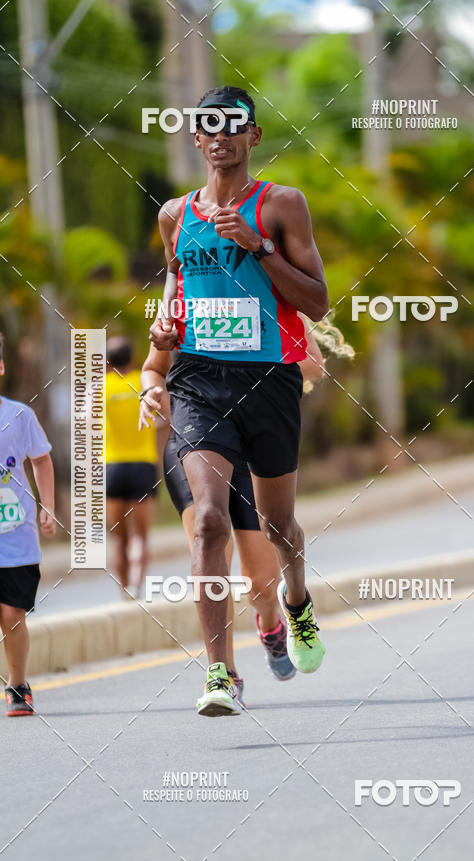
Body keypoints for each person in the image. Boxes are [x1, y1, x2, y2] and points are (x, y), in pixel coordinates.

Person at [149, 85, 329, 716]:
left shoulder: (280, 205)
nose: (220, 134)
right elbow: (176, 283)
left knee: (279, 526)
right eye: (208, 125)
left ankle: (297, 603)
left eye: (234, 125)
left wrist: (259, 248)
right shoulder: (176, 213)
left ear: (253, 136)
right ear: (196, 138)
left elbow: (316, 301)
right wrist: (162, 327)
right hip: (199, 378)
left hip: (270, 378)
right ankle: (221, 673)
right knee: (207, 519)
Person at [139, 321, 326, 707]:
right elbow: (153, 366)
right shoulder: (184, 292)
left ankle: (272, 624)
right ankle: (224, 672)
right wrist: (151, 390)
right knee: (209, 539)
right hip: (196, 441)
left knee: (259, 580)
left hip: (251, 440)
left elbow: (312, 363)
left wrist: (248, 370)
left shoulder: (267, 288)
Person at [0, 331, 56, 716]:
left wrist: (48, 506)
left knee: (10, 614)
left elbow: (41, 459)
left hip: (14, 535)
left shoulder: (19, 415)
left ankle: (18, 684)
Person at [105, 337, 162, 600]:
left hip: (112, 466)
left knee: (120, 538)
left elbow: (84, 424)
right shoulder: (144, 382)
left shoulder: (99, 387)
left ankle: (123, 590)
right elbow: (163, 421)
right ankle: (138, 587)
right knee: (141, 536)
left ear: (107, 361)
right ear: (132, 357)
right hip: (143, 464)